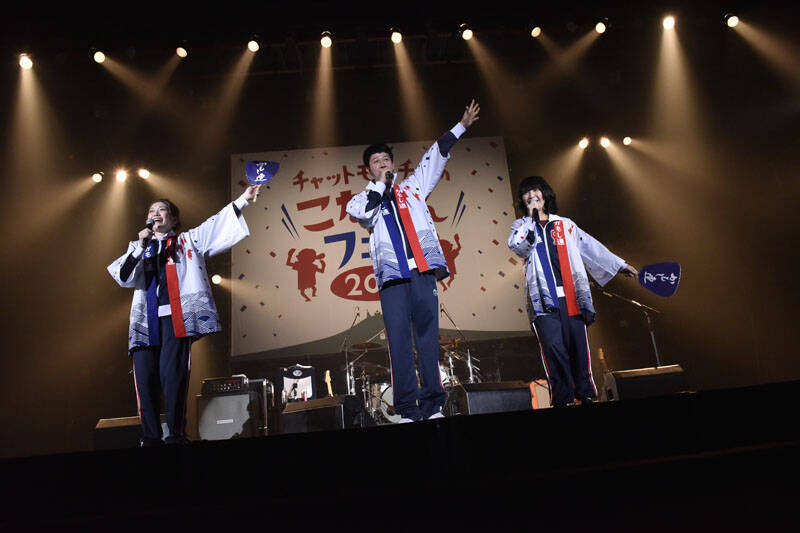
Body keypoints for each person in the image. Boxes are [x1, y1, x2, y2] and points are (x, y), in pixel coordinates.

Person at [347, 100, 480, 422]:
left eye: (386, 159)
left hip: (421, 271)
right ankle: (407, 408)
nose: (383, 163)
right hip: (393, 278)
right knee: (399, 342)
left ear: (393, 163)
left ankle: (433, 405)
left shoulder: (413, 187)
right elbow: (362, 214)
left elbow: (435, 155)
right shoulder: (364, 198)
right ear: (369, 171)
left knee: (428, 338)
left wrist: (461, 126)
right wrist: (380, 186)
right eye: (376, 162)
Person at [108, 185, 261, 445]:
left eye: (162, 210)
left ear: (174, 219)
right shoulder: (138, 246)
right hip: (145, 322)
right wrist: (140, 247)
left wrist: (243, 200)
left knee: (174, 378)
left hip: (176, 319)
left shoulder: (187, 240)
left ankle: (176, 435)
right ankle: (150, 437)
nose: (156, 214)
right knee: (145, 381)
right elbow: (123, 277)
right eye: (152, 211)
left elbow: (216, 223)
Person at [507, 176, 638, 407]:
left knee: (579, 348)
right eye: (527, 193)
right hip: (543, 300)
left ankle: (584, 394)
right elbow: (519, 247)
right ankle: (563, 398)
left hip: (572, 296)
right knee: (553, 348)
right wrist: (530, 220)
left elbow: (591, 247)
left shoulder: (565, 224)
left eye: (536, 191)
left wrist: (620, 265)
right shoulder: (521, 227)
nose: (532, 196)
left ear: (545, 194)